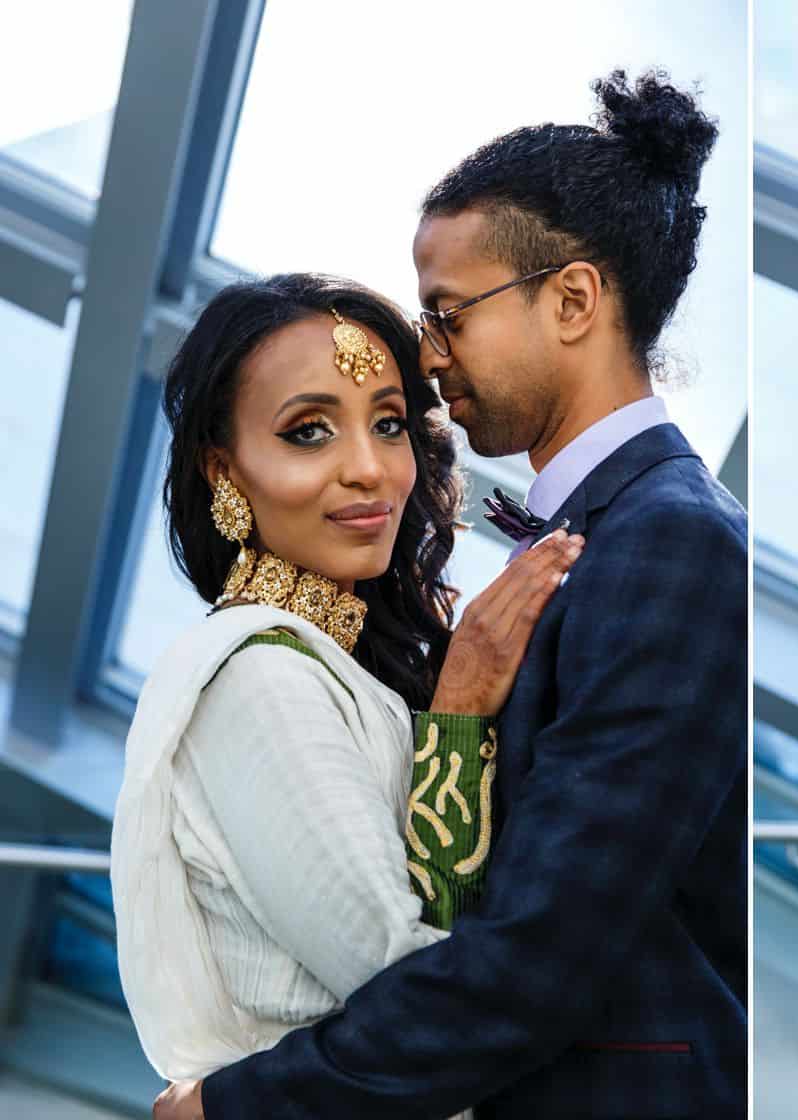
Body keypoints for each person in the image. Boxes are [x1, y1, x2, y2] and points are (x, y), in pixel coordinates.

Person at [156, 68, 748, 1119]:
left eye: (448, 314)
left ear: (571, 300)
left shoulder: (669, 544)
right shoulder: (604, 540)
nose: (428, 362)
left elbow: (532, 956)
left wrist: (231, 1108)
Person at [111, 272, 580, 1120]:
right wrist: (462, 711)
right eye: (309, 432)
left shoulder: (337, 665)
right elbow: (411, 985)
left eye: (390, 424)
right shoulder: (257, 677)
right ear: (225, 469)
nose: (369, 470)